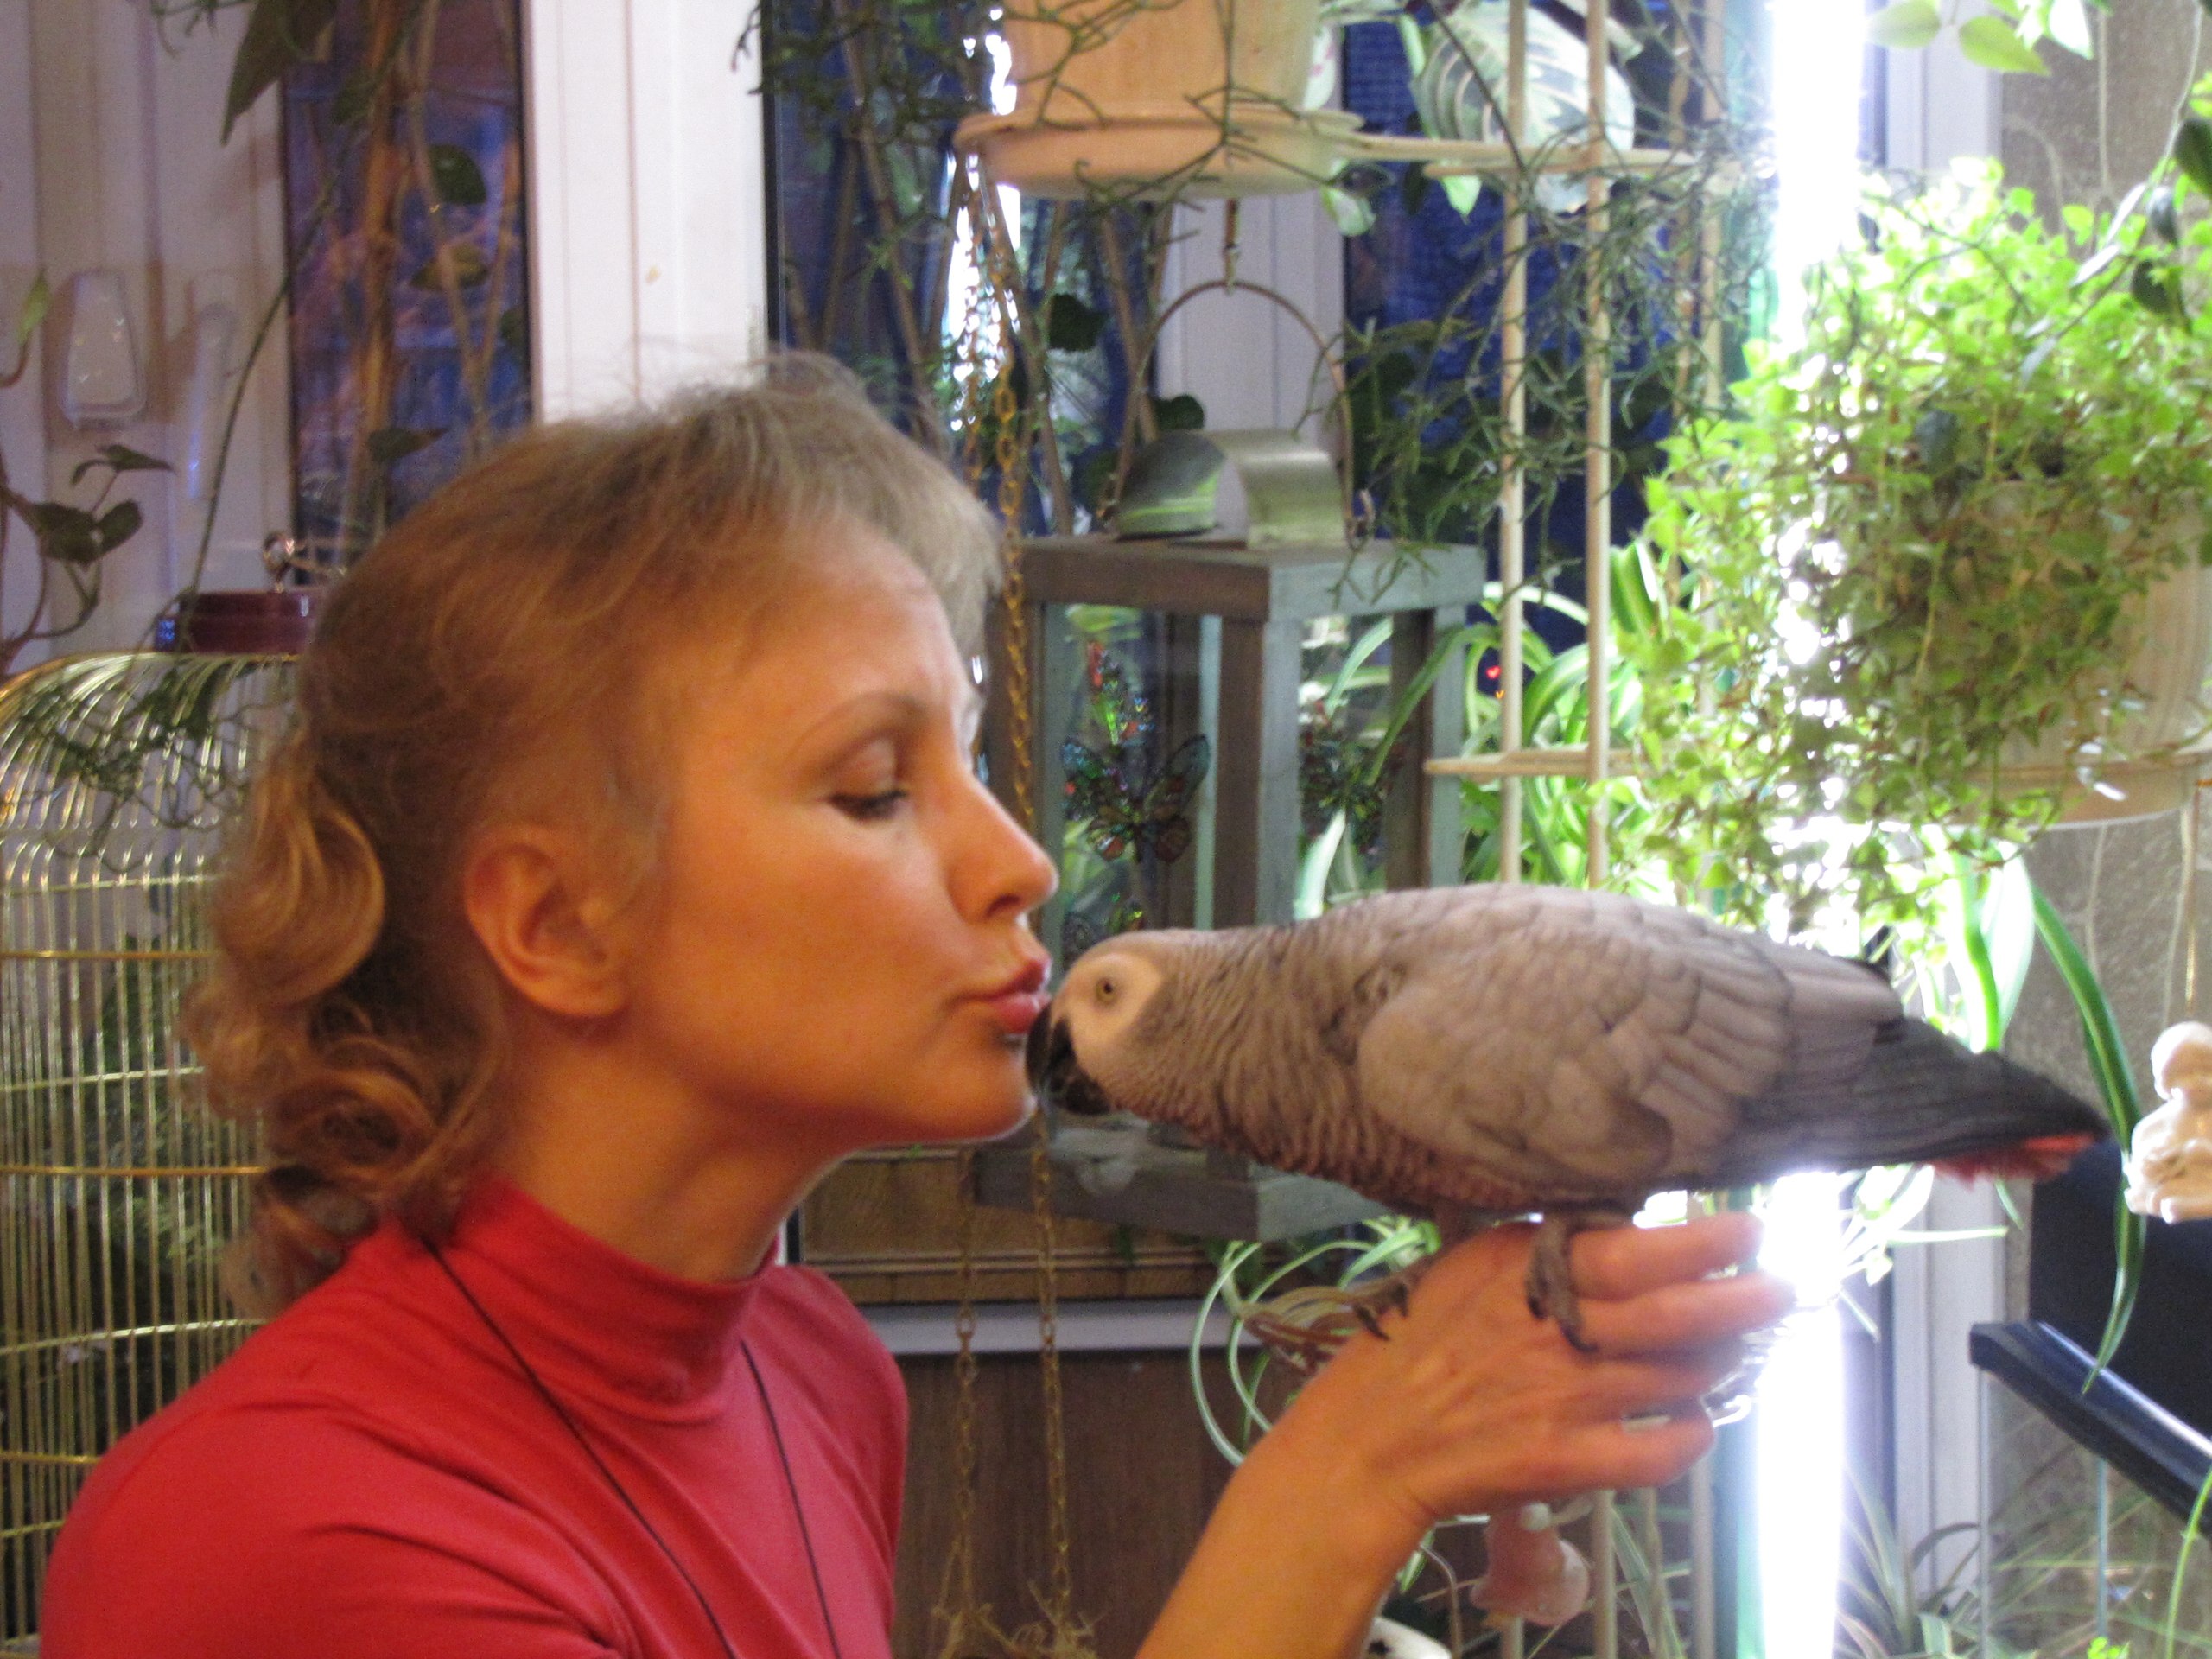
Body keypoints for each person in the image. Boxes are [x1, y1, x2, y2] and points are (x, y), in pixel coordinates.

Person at [38, 359, 1788, 1658]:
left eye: (971, 763)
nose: (1020, 862)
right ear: (556, 924)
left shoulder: (811, 1376)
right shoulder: (290, 1544)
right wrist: (1347, 1480)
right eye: (876, 788)